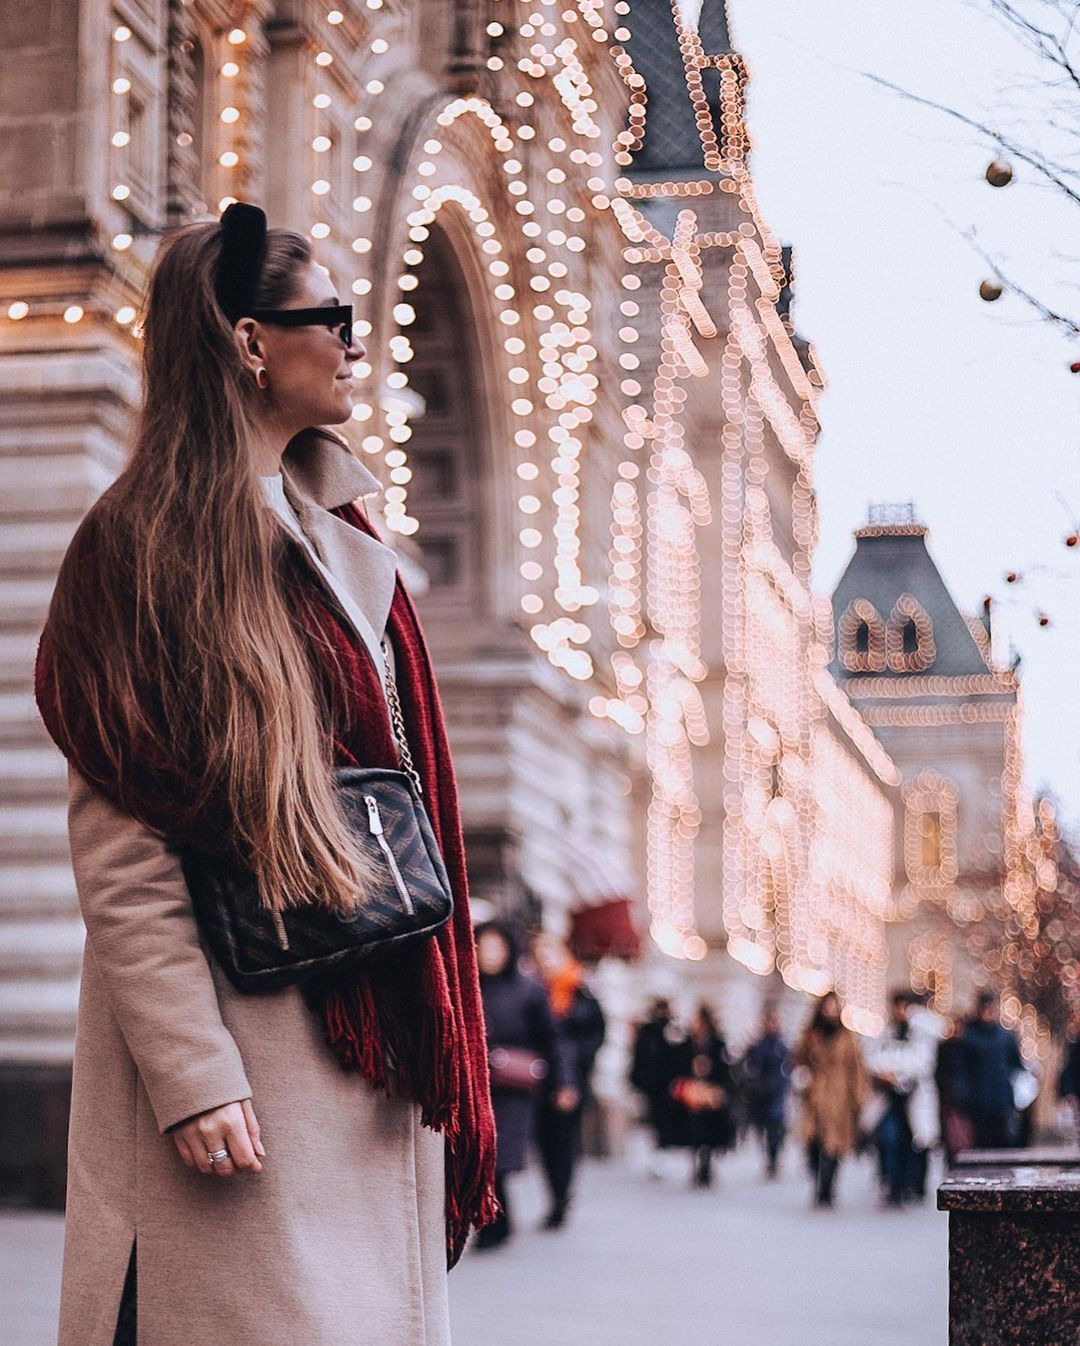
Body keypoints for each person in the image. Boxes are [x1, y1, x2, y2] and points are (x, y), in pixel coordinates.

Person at [33, 203, 496, 1346]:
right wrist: (192, 1072)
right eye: (327, 316)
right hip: (252, 1046)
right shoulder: (141, 544)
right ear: (248, 341)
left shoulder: (343, 533)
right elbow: (124, 845)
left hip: (367, 1023)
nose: (352, 341)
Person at [474, 922, 564, 1249]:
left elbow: (552, 1039)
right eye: (483, 948)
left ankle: (496, 1221)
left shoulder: (528, 989)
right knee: (483, 1154)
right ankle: (493, 1220)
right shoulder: (470, 985)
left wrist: (562, 1083)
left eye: (496, 948)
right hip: (479, 1083)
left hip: (514, 1086)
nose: (489, 956)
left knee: (501, 1155)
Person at [531, 932, 607, 1229]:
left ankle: (562, 1197)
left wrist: (580, 1060)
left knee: (565, 1141)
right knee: (546, 1142)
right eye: (541, 954)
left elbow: (598, 1031)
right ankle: (554, 1195)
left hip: (574, 1078)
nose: (546, 960)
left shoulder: (581, 989)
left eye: (551, 953)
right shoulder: (533, 990)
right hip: (539, 1078)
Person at [793, 991, 868, 1208]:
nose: (831, 1011)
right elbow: (799, 1061)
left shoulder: (848, 1038)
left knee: (834, 1146)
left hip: (840, 1099)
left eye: (835, 1007)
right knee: (813, 1144)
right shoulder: (812, 1035)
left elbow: (857, 1069)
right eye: (828, 1006)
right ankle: (817, 1181)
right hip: (815, 1097)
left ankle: (827, 1188)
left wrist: (858, 1098)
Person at [864, 991, 938, 1206]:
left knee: (914, 1143)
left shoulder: (921, 1033)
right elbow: (873, 1059)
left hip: (913, 1098)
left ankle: (909, 1185)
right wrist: (885, 1074)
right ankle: (892, 1184)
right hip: (889, 1101)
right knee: (889, 1140)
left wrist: (897, 1074)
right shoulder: (886, 1033)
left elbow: (922, 1063)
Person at [669, 1004, 736, 1187]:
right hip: (692, 1095)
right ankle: (696, 1162)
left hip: (711, 1094)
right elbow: (677, 1064)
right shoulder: (688, 1044)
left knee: (710, 1131)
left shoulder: (717, 1043)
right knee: (694, 1131)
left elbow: (726, 1070)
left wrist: (718, 1085)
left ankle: (706, 1164)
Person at [962, 991, 1024, 1149]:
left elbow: (1016, 1065)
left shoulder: (1006, 1037)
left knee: (1005, 1142)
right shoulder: (970, 1037)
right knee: (982, 1144)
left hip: (1002, 1101)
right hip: (979, 1103)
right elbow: (964, 1070)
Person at [630, 997, 686, 1162]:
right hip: (651, 1084)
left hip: (667, 1084)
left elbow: (680, 1056)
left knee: (664, 1119)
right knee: (653, 1119)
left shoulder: (673, 1029)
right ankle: (658, 1148)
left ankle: (662, 1147)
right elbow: (639, 1056)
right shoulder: (648, 1030)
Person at [741, 1005, 791, 1178]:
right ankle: (769, 1158)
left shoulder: (782, 1046)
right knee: (761, 1128)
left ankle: (773, 1158)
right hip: (761, 1094)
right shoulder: (759, 1045)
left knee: (774, 1128)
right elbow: (749, 1065)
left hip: (776, 1093)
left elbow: (788, 1069)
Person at [935, 1015, 975, 1166]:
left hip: (963, 1101)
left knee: (964, 1139)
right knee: (952, 1140)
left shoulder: (967, 1047)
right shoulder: (945, 1048)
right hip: (950, 1100)